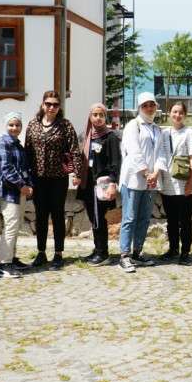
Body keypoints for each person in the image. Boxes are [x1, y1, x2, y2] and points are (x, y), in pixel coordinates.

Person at [24, 91, 82, 270]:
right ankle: (41, 252)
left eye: (55, 105)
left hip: (58, 178)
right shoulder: (33, 125)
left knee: (57, 215)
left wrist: (77, 173)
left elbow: (74, 150)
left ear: (59, 107)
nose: (51, 108)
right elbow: (27, 151)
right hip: (38, 178)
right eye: (48, 104)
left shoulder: (65, 125)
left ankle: (58, 253)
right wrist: (25, 177)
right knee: (41, 215)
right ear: (42, 105)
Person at [119, 92, 168, 273]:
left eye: (152, 105)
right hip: (134, 180)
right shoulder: (133, 126)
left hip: (151, 181)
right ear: (140, 108)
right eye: (145, 105)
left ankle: (137, 252)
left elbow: (162, 153)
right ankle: (124, 255)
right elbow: (134, 152)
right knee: (129, 218)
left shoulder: (156, 129)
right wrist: (147, 173)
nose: (149, 108)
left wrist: (156, 173)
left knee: (144, 218)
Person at [0, 112, 34, 279]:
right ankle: (3, 264)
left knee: (15, 227)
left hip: (20, 192)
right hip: (9, 193)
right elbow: (6, 169)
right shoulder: (3, 143)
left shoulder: (17, 144)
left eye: (17, 125)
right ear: (6, 126)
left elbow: (24, 167)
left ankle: (12, 259)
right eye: (11, 125)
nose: (14, 128)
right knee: (10, 228)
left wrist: (29, 184)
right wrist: (22, 185)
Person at [77, 103, 121, 266]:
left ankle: (103, 253)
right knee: (93, 217)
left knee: (99, 218)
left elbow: (115, 162)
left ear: (105, 117)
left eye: (101, 115)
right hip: (87, 183)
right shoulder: (86, 136)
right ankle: (97, 249)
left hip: (102, 184)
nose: (98, 118)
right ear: (90, 117)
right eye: (95, 114)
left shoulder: (111, 137)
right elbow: (79, 159)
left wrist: (113, 183)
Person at [159, 102, 192, 265]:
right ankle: (173, 248)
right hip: (167, 183)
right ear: (169, 114)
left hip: (182, 183)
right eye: (174, 112)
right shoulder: (164, 133)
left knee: (185, 221)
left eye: (180, 112)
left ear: (185, 114)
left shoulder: (189, 133)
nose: (177, 115)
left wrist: (190, 182)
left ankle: (185, 252)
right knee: (171, 220)